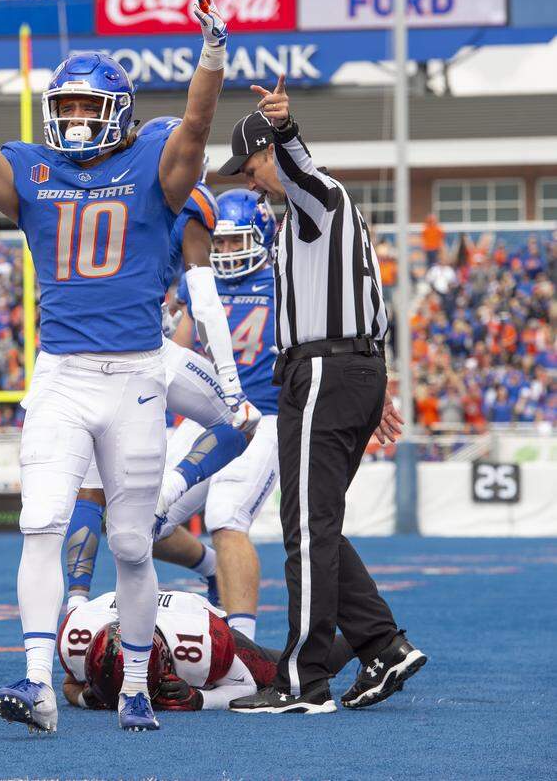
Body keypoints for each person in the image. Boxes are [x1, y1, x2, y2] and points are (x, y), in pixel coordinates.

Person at [0, 0, 241, 733]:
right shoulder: (34, 171)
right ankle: (34, 681)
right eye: (68, 106)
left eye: (89, 106)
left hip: (137, 376)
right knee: (41, 520)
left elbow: (193, 127)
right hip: (62, 374)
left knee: (128, 538)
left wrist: (211, 52)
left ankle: (138, 686)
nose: (77, 118)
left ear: (117, 111)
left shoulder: (154, 162)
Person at [217, 77, 426, 714]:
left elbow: (299, 166)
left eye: (250, 168)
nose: (249, 182)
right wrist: (375, 377)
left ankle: (303, 679)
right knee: (317, 522)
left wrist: (283, 128)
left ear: (271, 155)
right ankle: (383, 645)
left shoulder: (316, 196)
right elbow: (369, 296)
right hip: (346, 369)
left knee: (306, 526)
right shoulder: (318, 215)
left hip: (327, 373)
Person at [64, 138, 260, 614]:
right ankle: (171, 496)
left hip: (70, 351)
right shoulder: (191, 200)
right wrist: (232, 388)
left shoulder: (89, 185)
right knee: (240, 420)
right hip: (140, 348)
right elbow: (206, 298)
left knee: (82, 495)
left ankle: (72, 611)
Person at [152, 189, 281, 641]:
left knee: (226, 516)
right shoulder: (198, 280)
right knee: (143, 518)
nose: (225, 251)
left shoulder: (284, 282)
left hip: (264, 416)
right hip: (211, 413)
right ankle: (209, 568)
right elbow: (184, 349)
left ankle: (241, 640)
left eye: (235, 241)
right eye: (219, 243)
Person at [58, 589, 355, 712]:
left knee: (298, 670)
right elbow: (70, 684)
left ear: (165, 664)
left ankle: (364, 639)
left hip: (194, 616)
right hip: (130, 608)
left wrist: (199, 698)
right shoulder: (77, 637)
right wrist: (87, 696)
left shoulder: (202, 643)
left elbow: (245, 686)